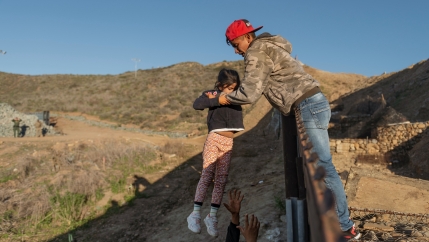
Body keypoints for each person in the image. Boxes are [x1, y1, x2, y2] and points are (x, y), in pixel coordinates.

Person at [217, 19, 360, 240]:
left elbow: (250, 93)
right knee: (322, 166)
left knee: (324, 166)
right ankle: (340, 220)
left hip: (307, 105)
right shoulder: (269, 47)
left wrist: (223, 98)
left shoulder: (256, 52)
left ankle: (345, 225)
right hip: (312, 103)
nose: (236, 51)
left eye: (236, 44)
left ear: (247, 37)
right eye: (232, 47)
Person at [187, 69, 244, 237]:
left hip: (228, 142)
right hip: (214, 138)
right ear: (220, 85)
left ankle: (212, 217)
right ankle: (195, 214)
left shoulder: (238, 95)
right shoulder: (213, 94)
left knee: (221, 179)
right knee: (207, 173)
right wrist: (217, 99)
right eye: (228, 87)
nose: (231, 91)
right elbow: (197, 104)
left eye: (234, 87)